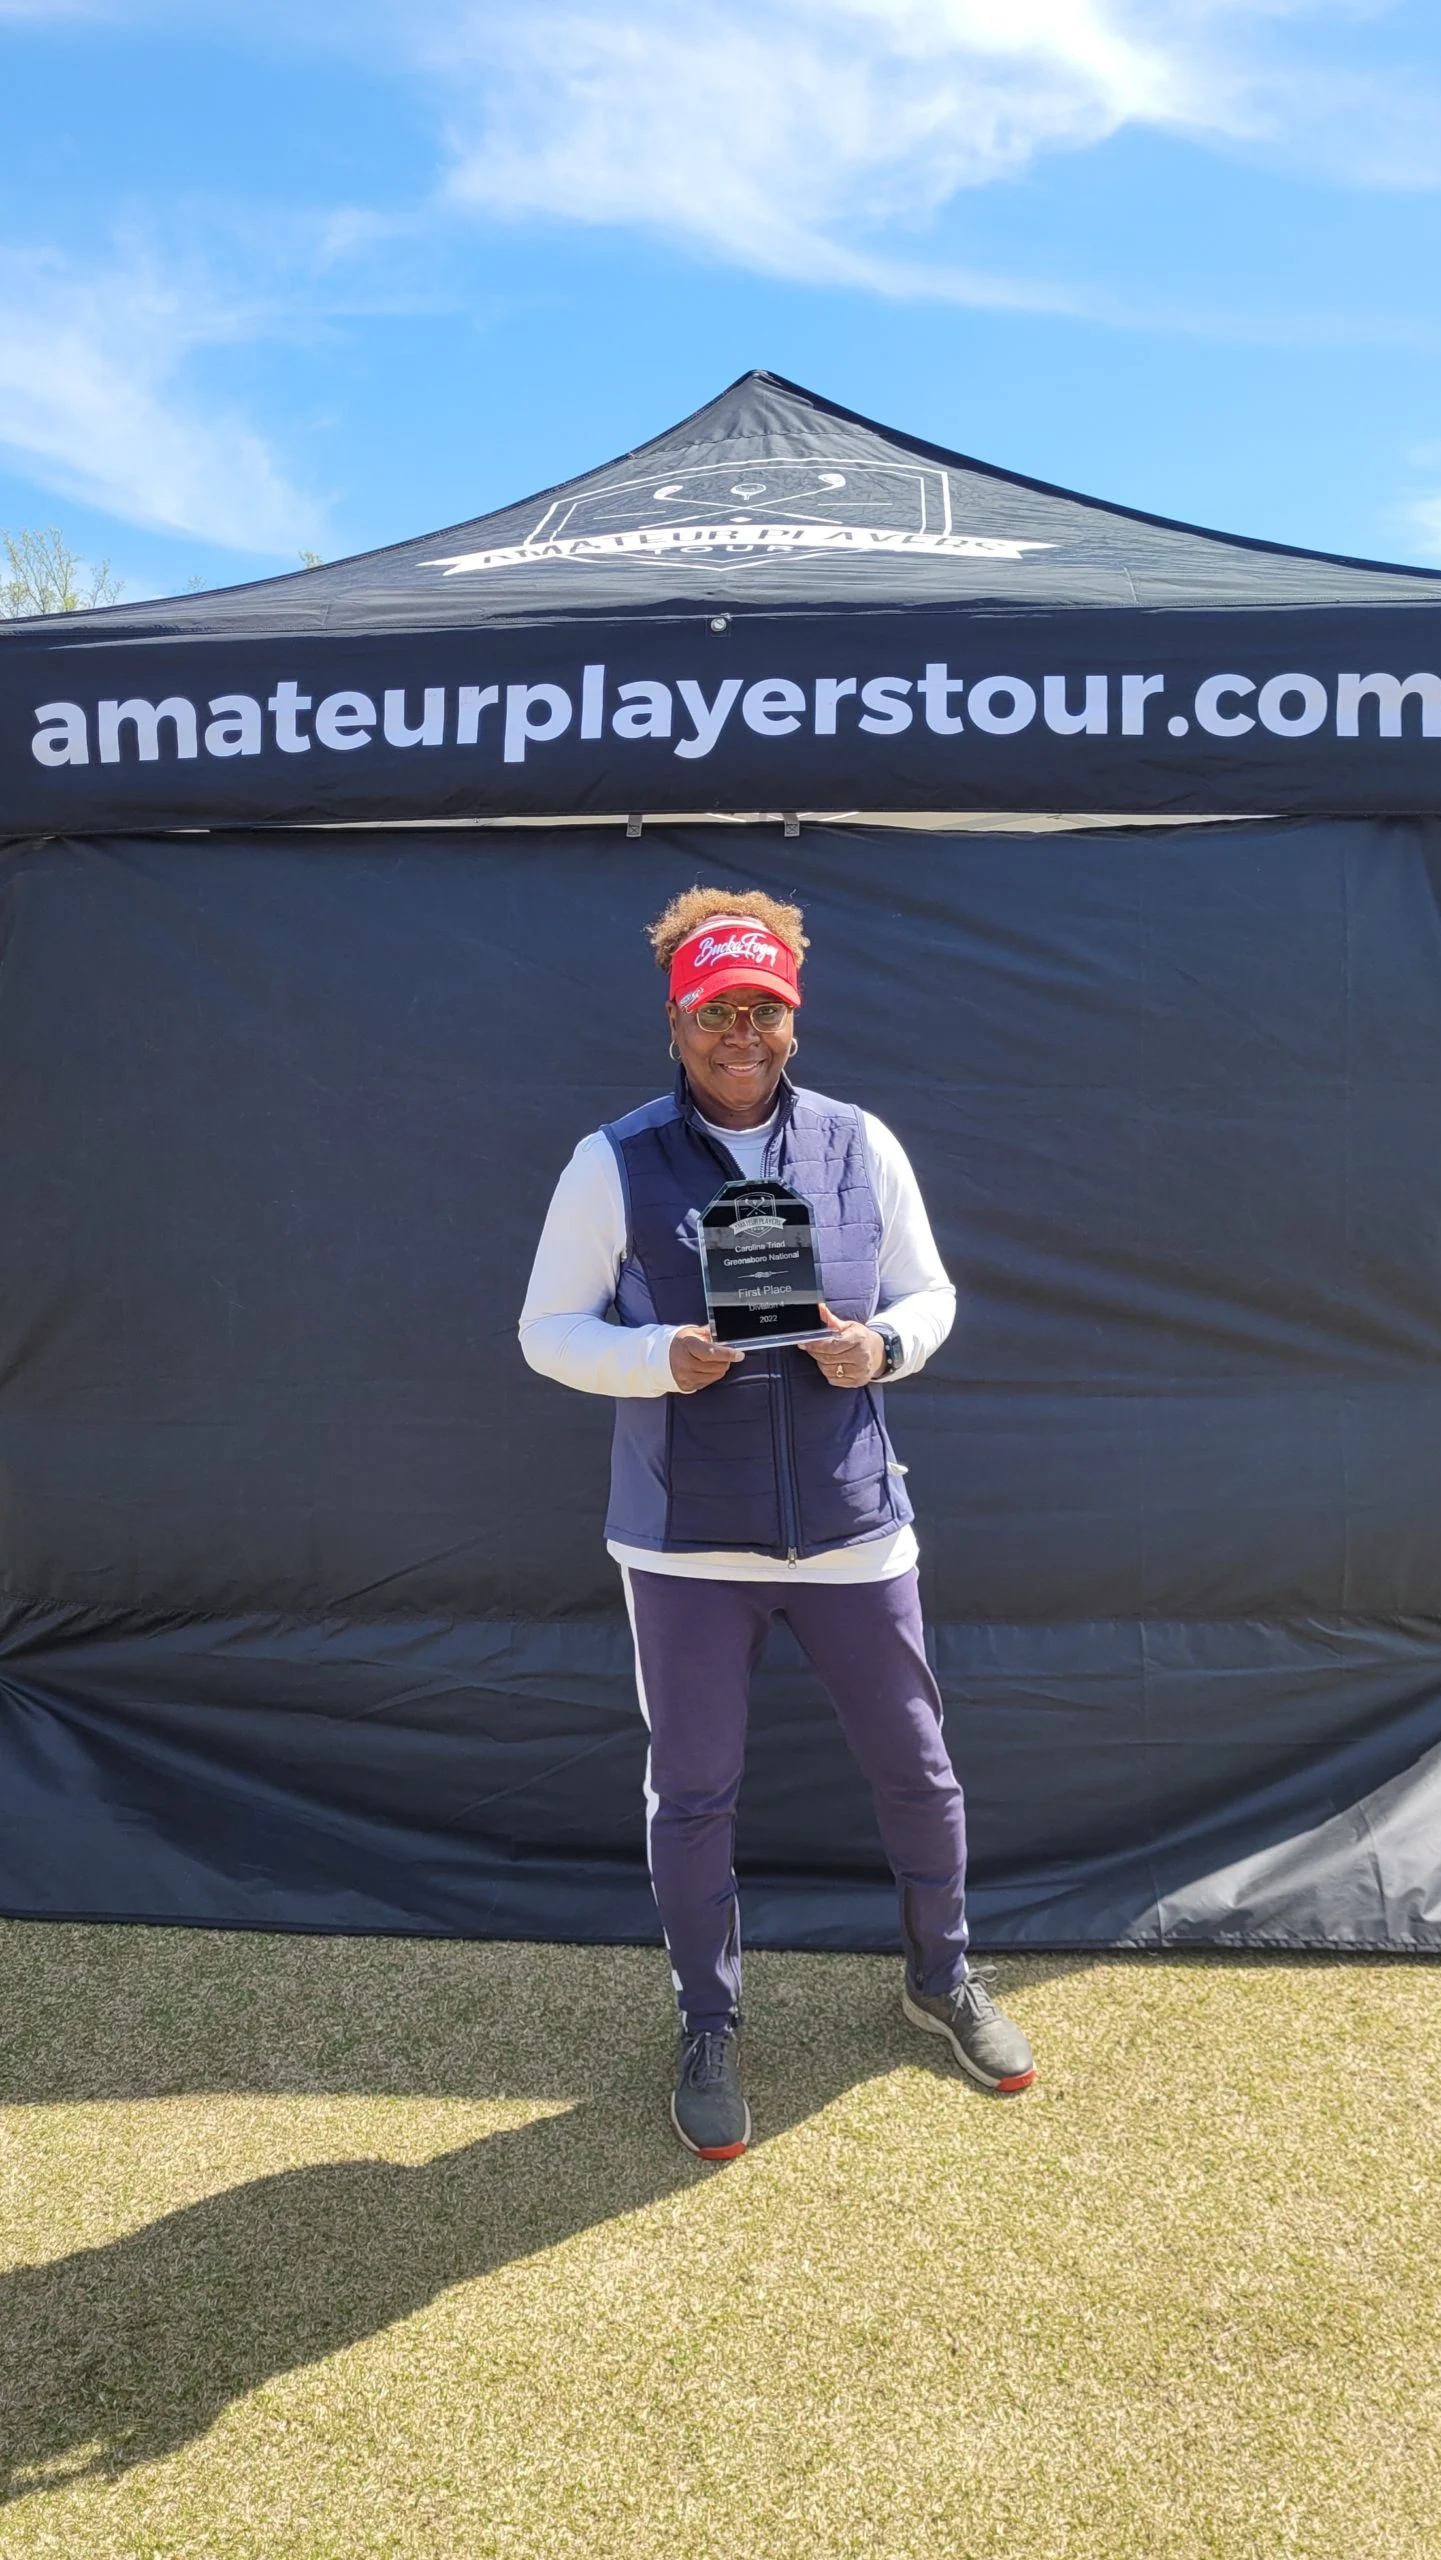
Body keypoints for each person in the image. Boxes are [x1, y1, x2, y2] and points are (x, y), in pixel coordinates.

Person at [519, 886, 1035, 2159]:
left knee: (918, 1770)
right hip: (685, 1539)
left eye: (763, 1009)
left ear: (792, 1019)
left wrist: (886, 1346)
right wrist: (656, 1358)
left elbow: (932, 1292)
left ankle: (941, 1975)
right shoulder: (614, 1160)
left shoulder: (862, 1144)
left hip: (858, 1529)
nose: (739, 1031)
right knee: (693, 1795)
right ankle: (707, 2020)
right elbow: (546, 1332)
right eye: (715, 1010)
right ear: (677, 1016)